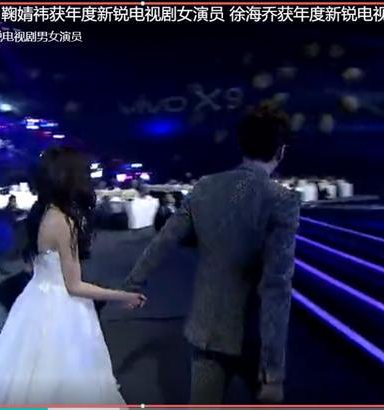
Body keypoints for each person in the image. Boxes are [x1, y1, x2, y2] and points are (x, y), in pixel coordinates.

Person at [123, 101, 300, 404]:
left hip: (206, 330)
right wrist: (273, 371)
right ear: (280, 151)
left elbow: (163, 242)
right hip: (254, 336)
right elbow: (276, 286)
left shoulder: (204, 187)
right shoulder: (282, 200)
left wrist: (132, 284)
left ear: (241, 145)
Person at [0, 146, 146, 405]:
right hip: (62, 309)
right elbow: (73, 286)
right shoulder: (63, 221)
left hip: (34, 302)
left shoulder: (41, 213)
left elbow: (33, 267)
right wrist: (123, 296)